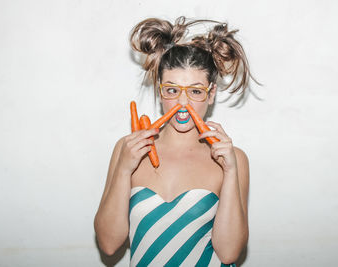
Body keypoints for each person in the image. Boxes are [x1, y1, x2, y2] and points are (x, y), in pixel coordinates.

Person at [94, 16, 254, 266]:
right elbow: (109, 244)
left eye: (195, 91)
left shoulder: (233, 158)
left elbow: (229, 253)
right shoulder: (127, 149)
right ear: (160, 91)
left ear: (211, 94)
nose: (182, 103)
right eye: (172, 90)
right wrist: (125, 170)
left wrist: (231, 171)